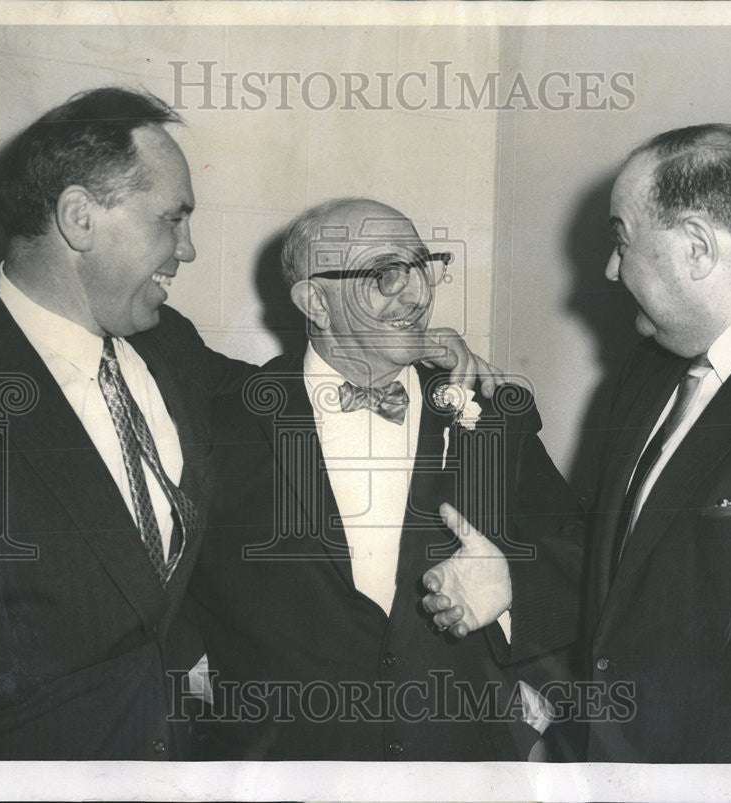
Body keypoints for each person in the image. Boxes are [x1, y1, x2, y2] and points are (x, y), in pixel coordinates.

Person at [0, 90, 491, 760]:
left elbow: (287, 390)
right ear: (78, 218)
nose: (186, 249)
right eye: (171, 219)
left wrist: (409, 354)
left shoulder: (168, 345)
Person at [425, 124, 731, 763]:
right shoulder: (649, 370)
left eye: (621, 240)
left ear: (696, 247)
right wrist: (516, 591)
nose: (608, 268)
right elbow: (632, 589)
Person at [184, 198, 585, 760]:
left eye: (424, 266)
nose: (419, 294)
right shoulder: (220, 425)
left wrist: (513, 588)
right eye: (385, 273)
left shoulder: (490, 413)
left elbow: (579, 560)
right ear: (316, 302)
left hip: (460, 769)